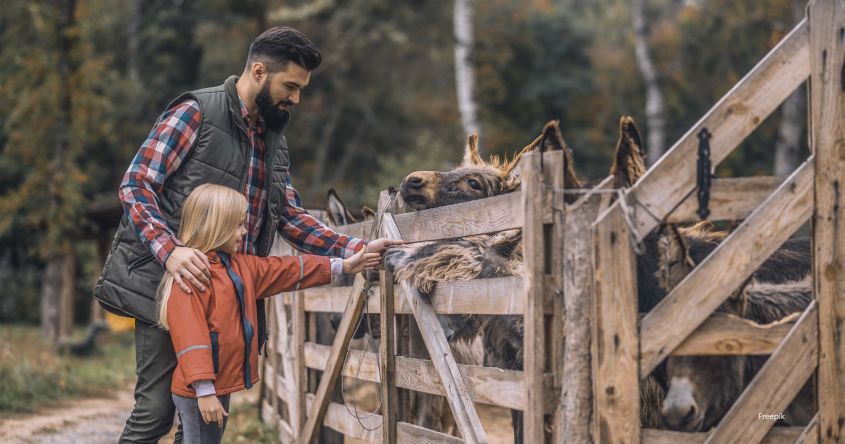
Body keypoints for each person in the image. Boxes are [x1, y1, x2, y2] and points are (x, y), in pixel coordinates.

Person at [93, 26, 402, 442]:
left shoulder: (274, 138)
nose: (295, 98)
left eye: (301, 89)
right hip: (168, 288)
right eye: (289, 86)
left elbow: (288, 216)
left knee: (209, 418)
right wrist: (172, 252)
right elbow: (136, 184)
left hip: (229, 299)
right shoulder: (196, 113)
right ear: (258, 72)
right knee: (155, 412)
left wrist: (356, 249)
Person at [157, 184, 379, 444]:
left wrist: (343, 265)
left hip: (217, 384)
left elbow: (289, 269)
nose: (244, 231)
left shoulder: (240, 267)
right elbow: (190, 338)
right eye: (239, 224)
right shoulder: (194, 277)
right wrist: (204, 391)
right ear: (218, 226)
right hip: (200, 390)